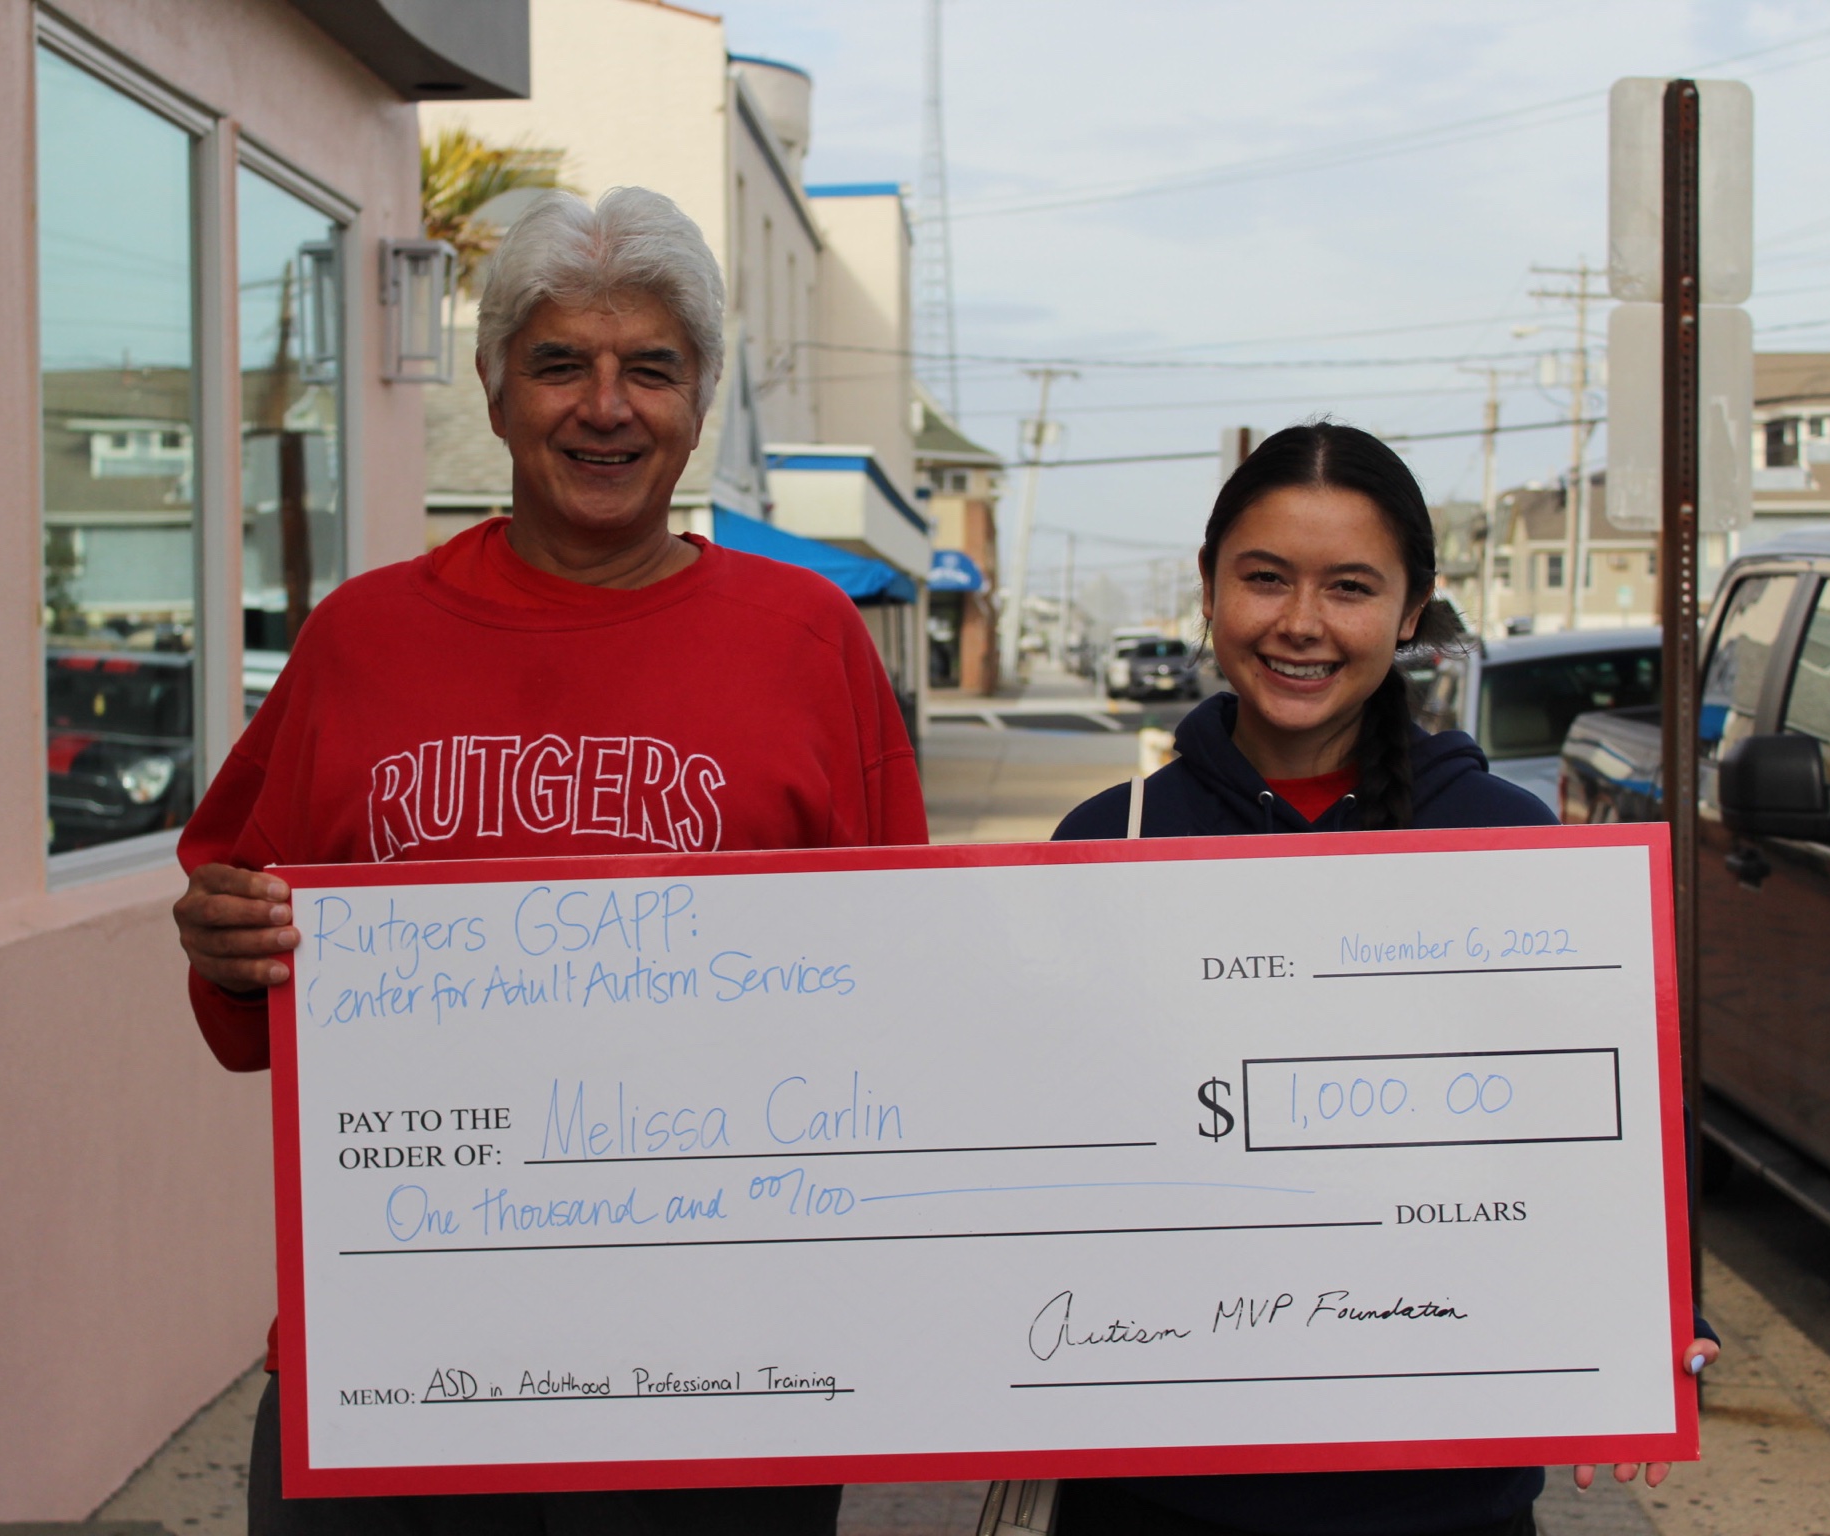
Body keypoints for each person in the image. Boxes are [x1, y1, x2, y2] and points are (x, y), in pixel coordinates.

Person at [171, 186, 925, 1536]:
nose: (606, 406)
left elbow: (899, 1000)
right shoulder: (360, 643)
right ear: (495, 385)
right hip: (399, 1361)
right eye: (560, 362)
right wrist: (227, 946)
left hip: (722, 1379)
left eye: (652, 368)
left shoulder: (813, 645)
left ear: (700, 398)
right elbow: (246, 1001)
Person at [1047, 423, 1718, 1536]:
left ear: (1413, 611)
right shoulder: (1104, 842)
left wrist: (1643, 1309)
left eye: (1350, 587)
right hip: (1155, 1485)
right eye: (1264, 579)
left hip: (1438, 1495)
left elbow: (1603, 1126)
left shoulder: (1509, 842)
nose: (1301, 624)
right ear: (1209, 588)